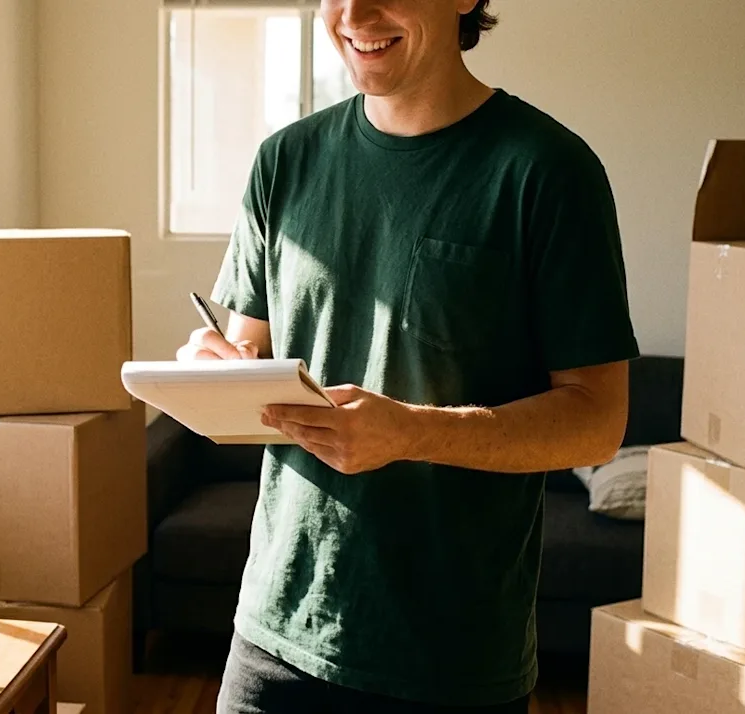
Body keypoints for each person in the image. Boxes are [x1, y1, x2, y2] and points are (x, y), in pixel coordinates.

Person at [176, 0, 640, 712]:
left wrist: (412, 433)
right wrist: (217, 368)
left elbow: (597, 421)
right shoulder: (285, 159)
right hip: (274, 633)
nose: (355, 13)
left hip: (451, 663)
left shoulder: (547, 171)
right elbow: (249, 346)